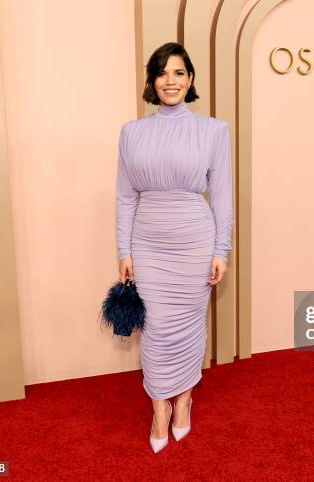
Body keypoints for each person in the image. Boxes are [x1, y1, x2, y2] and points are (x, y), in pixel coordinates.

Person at [115, 42, 233, 453]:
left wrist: (222, 250)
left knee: (188, 325)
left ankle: (183, 401)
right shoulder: (132, 132)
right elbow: (125, 196)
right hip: (148, 242)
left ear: (191, 79)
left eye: (179, 72)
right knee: (157, 328)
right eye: (163, 73)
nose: (171, 80)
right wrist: (123, 249)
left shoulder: (214, 130)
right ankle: (158, 408)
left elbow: (221, 196)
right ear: (152, 80)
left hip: (195, 243)